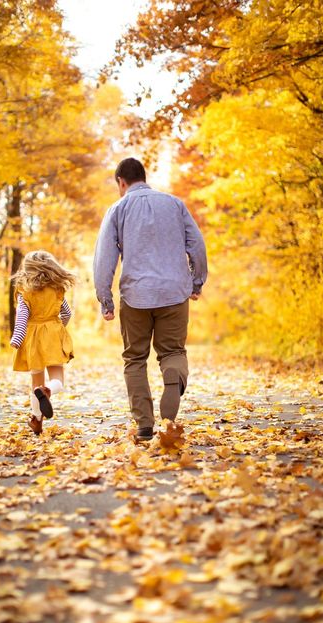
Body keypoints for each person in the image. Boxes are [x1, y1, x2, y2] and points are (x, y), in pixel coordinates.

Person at [93, 157, 207, 441]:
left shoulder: (118, 208)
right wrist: (196, 281)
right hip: (174, 292)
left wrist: (105, 299)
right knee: (173, 352)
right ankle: (172, 383)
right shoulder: (174, 204)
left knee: (135, 358)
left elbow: (104, 258)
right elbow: (197, 245)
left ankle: (144, 424)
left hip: (135, 296)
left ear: (121, 182)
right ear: (143, 176)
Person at [10, 250, 75, 435]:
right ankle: (47, 391)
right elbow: (67, 313)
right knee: (58, 381)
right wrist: (58, 328)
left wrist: (17, 338)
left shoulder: (25, 291)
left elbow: (22, 316)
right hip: (53, 335)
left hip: (33, 339)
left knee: (35, 382)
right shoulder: (57, 289)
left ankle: (36, 420)